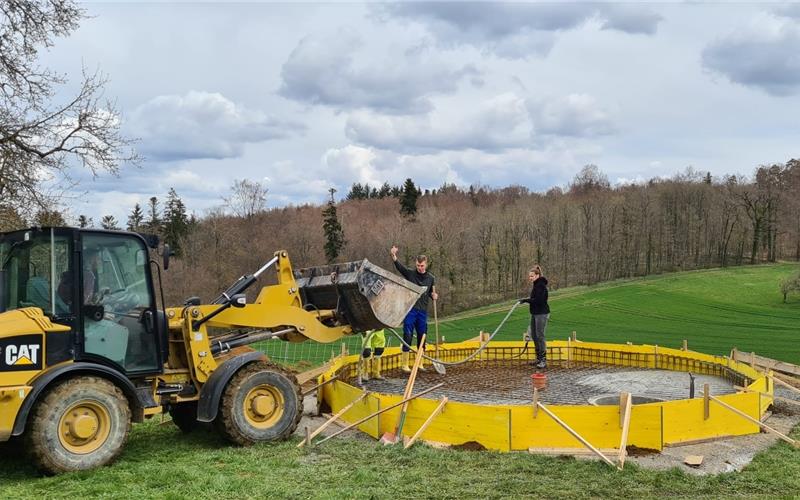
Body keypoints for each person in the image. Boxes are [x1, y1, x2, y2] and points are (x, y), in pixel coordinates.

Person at [390, 245, 437, 373]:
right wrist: (394, 256)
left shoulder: (431, 278)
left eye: (421, 266)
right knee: (408, 335)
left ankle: (419, 363)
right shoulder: (411, 274)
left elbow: (431, 294)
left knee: (422, 337)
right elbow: (400, 267)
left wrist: (434, 296)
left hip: (422, 311)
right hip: (411, 309)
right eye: (418, 265)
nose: (419, 268)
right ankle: (405, 364)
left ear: (426, 264)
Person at [519, 265, 550, 369]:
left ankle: (543, 359)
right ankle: (538, 358)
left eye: (531, 276)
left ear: (537, 275)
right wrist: (526, 299)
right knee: (534, 335)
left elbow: (539, 300)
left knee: (540, 336)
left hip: (542, 313)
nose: (530, 278)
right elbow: (534, 298)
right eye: (529, 276)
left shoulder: (541, 285)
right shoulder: (536, 285)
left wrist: (526, 300)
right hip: (535, 313)